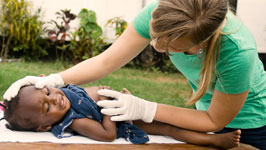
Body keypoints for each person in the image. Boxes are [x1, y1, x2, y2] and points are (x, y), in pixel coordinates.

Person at [3, 0, 266, 149]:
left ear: (199, 45)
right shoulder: (164, 12)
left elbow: (212, 119)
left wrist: (145, 108)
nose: (155, 46)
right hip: (202, 109)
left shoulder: (237, 54)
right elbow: (106, 61)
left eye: (167, 44)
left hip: (249, 123)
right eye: (153, 35)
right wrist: (56, 79)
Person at [1, 85, 240, 148]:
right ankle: (212, 140)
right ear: (44, 127)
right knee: (169, 129)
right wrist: (109, 107)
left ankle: (207, 131)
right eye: (46, 108)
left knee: (172, 117)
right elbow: (107, 135)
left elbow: (86, 93)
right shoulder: (74, 121)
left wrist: (108, 92)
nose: (54, 98)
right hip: (126, 120)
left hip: (124, 107)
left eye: (47, 92)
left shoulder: (63, 94)